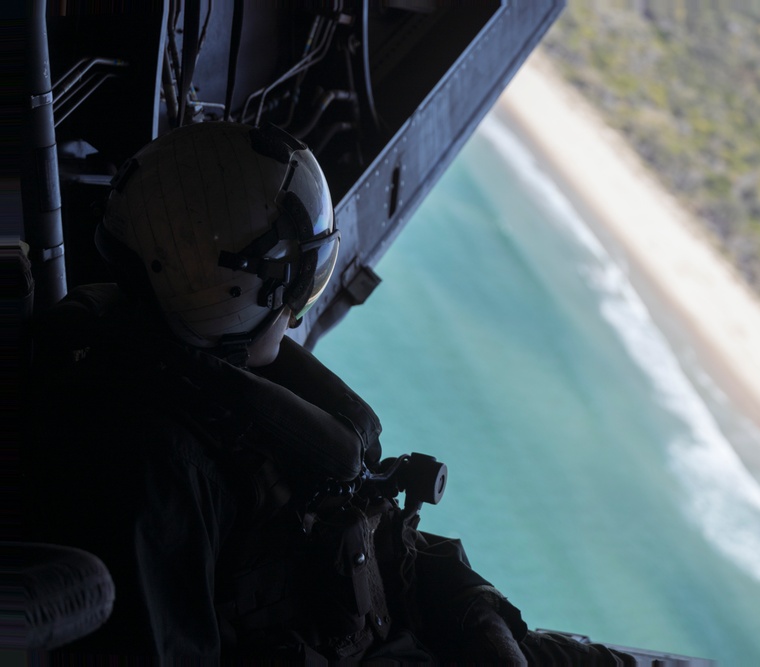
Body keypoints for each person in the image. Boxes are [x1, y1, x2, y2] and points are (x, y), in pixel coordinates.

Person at [25, 121, 633, 664]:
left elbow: (375, 538)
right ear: (238, 297)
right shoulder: (155, 466)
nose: (294, 315)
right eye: (299, 283)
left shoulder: (221, 389)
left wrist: (474, 608)